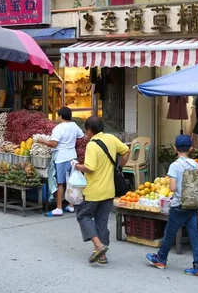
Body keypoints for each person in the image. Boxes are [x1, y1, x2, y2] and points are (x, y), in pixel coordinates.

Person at [146, 135, 198, 277]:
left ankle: (161, 259)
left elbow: (173, 188)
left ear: (175, 149)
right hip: (193, 204)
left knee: (169, 233)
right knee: (194, 234)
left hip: (180, 204)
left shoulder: (175, 165)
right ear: (191, 149)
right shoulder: (195, 164)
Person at [73, 116, 130, 264]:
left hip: (94, 191)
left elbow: (90, 168)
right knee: (101, 222)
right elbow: (126, 151)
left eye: (86, 130)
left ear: (90, 130)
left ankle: (98, 246)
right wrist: (119, 167)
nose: (86, 133)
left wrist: (77, 166)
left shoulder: (92, 145)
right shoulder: (111, 138)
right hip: (109, 190)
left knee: (84, 216)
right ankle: (102, 256)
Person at [37, 107, 84, 216]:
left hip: (61, 157)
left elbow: (54, 144)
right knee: (71, 182)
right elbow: (81, 136)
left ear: (61, 116)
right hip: (72, 156)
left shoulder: (58, 128)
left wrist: (42, 141)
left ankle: (58, 208)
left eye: (58, 115)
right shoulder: (74, 126)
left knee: (60, 183)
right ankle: (71, 206)